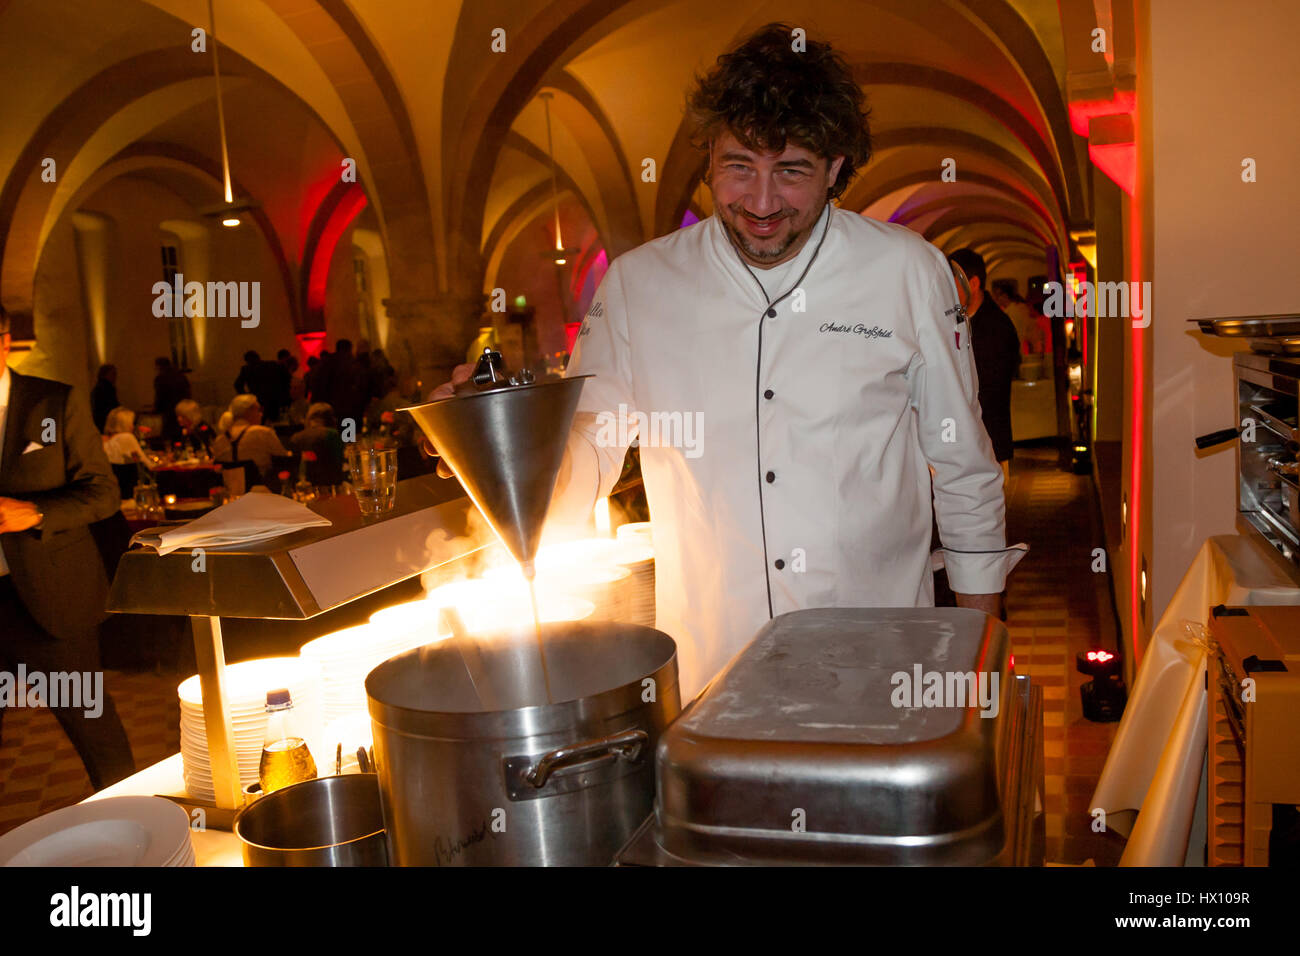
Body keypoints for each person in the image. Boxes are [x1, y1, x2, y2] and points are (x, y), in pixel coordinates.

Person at [426, 24, 1022, 700]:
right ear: (707, 158)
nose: (762, 204)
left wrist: (977, 661)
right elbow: (589, 455)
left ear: (834, 169)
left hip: (879, 665)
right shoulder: (635, 287)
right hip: (713, 676)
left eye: (792, 170)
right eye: (739, 166)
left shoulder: (906, 271)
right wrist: (502, 448)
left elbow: (965, 466)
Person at [0, 307, 135, 789]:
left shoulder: (52, 404)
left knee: (98, 740)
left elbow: (103, 493)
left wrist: (34, 513)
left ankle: (144, 843)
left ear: (6, 341)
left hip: (49, 594)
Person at [949, 248, 1021, 481]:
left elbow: (990, 390)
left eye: (953, 284)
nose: (947, 292)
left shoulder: (997, 327)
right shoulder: (956, 320)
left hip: (988, 443)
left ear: (974, 283)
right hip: (960, 443)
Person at [210, 394, 288, 483]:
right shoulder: (263, 433)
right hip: (262, 491)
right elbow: (283, 459)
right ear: (248, 411)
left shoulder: (220, 439)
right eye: (259, 410)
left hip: (231, 491)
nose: (261, 414)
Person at [288, 402, 345, 484]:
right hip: (330, 486)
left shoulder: (296, 437)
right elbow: (339, 463)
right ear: (330, 418)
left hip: (303, 486)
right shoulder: (332, 434)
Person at [233, 350, 289, 423]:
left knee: (258, 424)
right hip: (273, 400)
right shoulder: (272, 365)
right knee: (276, 424)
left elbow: (237, 385)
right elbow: (285, 379)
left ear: (247, 361)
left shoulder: (247, 369)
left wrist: (247, 397)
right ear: (258, 357)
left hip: (257, 402)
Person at [153, 357, 191, 443]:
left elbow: (160, 396)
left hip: (168, 411)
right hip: (183, 410)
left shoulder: (161, 378)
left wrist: (156, 409)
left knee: (169, 437)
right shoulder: (181, 376)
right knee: (183, 434)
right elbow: (188, 392)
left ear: (159, 366)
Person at [90, 364, 118, 433]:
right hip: (106, 422)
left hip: (98, 421)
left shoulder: (97, 388)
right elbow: (112, 406)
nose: (115, 377)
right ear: (106, 374)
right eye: (113, 374)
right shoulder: (107, 388)